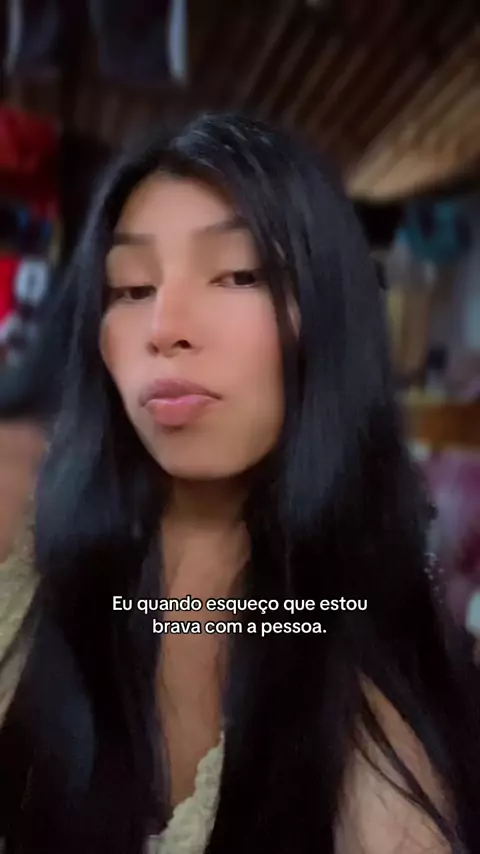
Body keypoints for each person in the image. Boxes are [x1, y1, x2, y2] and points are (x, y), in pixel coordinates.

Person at [0, 111, 479, 854]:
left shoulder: (366, 667)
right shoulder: (26, 535)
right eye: (130, 287)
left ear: (329, 313)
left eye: (239, 274)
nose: (164, 325)